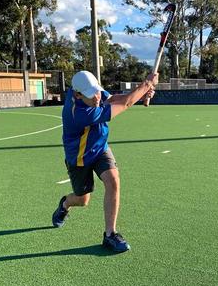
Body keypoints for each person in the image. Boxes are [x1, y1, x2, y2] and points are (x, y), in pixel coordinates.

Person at [52, 71, 158, 252]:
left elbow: (114, 98)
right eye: (91, 94)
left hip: (100, 148)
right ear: (77, 95)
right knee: (82, 200)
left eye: (97, 91)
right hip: (79, 158)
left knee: (113, 180)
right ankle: (65, 204)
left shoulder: (88, 91)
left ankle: (110, 234)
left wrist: (140, 93)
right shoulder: (78, 113)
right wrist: (145, 86)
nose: (96, 97)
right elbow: (125, 104)